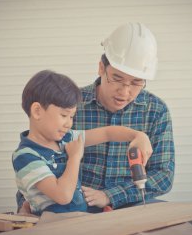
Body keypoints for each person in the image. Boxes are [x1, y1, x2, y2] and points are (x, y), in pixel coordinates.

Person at [17, 22, 175, 213]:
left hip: (127, 204)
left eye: (136, 82)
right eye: (117, 78)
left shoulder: (156, 111)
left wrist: (110, 195)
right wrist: (25, 207)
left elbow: (163, 177)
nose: (125, 92)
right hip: (75, 209)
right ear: (101, 68)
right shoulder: (70, 107)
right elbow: (36, 167)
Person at [13, 70, 153, 215]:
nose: (69, 123)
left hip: (79, 218)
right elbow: (63, 196)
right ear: (37, 111)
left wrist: (137, 135)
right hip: (52, 225)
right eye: (64, 115)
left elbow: (107, 133)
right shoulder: (26, 156)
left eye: (72, 116)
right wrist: (74, 157)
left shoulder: (66, 138)